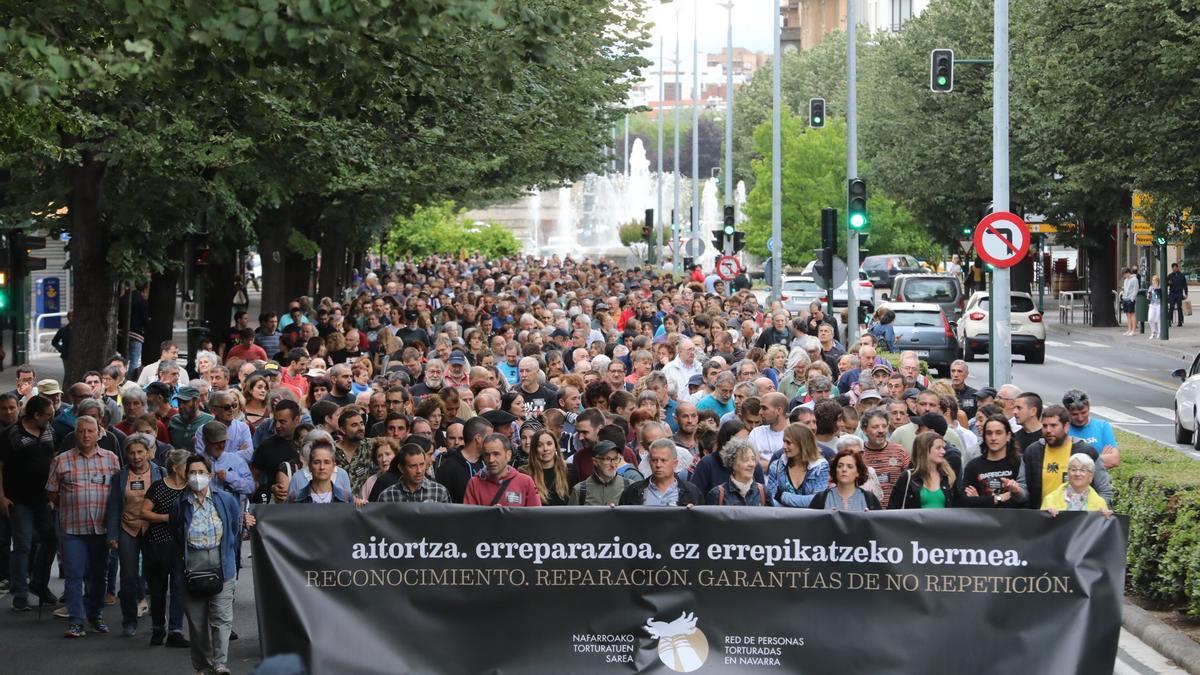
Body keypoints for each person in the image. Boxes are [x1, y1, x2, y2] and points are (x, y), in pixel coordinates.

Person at [46, 415, 121, 637]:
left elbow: (117, 494)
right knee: (74, 575)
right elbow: (52, 492)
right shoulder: (61, 460)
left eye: (90, 431)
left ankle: (95, 615)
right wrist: (69, 504)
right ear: (75, 434)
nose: (86, 435)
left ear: (99, 433)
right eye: (81, 431)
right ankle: (76, 621)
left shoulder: (111, 459)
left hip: (101, 529)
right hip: (72, 528)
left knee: (99, 575)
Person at [177, 454, 252, 675]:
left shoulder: (225, 499)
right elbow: (176, 533)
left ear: (209, 475)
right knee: (197, 623)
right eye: (192, 472)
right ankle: (203, 666)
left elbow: (234, 529)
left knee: (221, 618)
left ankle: (220, 664)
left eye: (201, 472)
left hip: (222, 564)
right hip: (192, 565)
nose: (197, 477)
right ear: (186, 475)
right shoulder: (180, 504)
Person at [0, 395, 59, 611]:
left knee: (51, 539)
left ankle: (39, 583)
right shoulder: (11, 435)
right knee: (23, 544)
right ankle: (20, 594)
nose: (51, 419)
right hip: (19, 499)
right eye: (48, 415)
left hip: (44, 499)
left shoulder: (49, 431)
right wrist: (2, 496)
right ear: (36, 415)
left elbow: (54, 457)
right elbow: (1, 467)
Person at [105, 433, 165, 637]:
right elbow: (113, 507)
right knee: (129, 576)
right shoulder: (120, 476)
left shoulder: (161, 472)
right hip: (127, 529)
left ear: (148, 452)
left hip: (153, 529)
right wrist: (112, 534)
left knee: (155, 576)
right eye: (131, 452)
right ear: (126, 454)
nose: (136, 456)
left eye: (140, 451)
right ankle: (129, 620)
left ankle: (158, 621)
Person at [138, 448, 190, 647]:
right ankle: (158, 628)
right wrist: (167, 518)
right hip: (157, 545)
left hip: (181, 546)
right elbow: (144, 512)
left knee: (179, 589)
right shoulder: (159, 487)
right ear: (176, 467)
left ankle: (175, 631)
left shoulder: (190, 488)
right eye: (187, 465)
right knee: (158, 590)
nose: (191, 470)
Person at [1022, 405, 1112, 508]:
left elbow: (1104, 490)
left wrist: (1097, 513)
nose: (1048, 430)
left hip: (1078, 520)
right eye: (1045, 426)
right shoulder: (1032, 452)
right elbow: (1024, 489)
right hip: (1042, 519)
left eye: (1053, 425)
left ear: (1066, 426)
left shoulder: (1087, 452)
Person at [959, 415, 1027, 508]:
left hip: (1011, 520)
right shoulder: (973, 466)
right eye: (989, 433)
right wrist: (999, 498)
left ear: (1008, 436)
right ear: (984, 436)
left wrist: (1016, 491)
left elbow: (1025, 496)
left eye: (998, 433)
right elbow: (966, 501)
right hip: (982, 520)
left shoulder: (1018, 462)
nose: (993, 438)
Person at [619, 438, 703, 506]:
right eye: (654, 460)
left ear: (675, 464)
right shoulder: (633, 492)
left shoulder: (692, 492)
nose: (658, 465)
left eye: (663, 460)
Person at [463, 434, 541, 506]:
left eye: (496, 454)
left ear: (508, 455)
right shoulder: (474, 483)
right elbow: (469, 518)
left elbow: (536, 517)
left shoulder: (526, 482)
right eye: (487, 455)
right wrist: (490, 515)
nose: (491, 460)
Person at [766, 423, 830, 507]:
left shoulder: (820, 467)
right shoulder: (776, 466)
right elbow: (771, 500)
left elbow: (817, 501)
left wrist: (782, 496)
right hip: (782, 517)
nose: (784, 446)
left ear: (802, 443)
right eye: (784, 441)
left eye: (788, 443)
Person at [888, 431, 956, 509]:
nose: (943, 451)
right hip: (914, 521)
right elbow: (892, 509)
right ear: (925, 450)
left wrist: (972, 498)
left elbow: (959, 503)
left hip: (943, 521)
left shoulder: (948, 475)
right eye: (938, 448)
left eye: (943, 448)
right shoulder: (907, 477)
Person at [436, 416, 492, 503]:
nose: (491, 442)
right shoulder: (448, 466)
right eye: (489, 438)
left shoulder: (489, 462)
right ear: (478, 438)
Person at [809, 449, 883, 511]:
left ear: (858, 472)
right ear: (835, 470)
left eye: (850, 467)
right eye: (840, 466)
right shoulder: (821, 498)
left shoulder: (869, 499)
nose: (844, 469)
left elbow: (878, 525)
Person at [1042, 453, 1114, 517]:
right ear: (1068, 474)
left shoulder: (1099, 503)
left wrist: (1105, 517)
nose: (1077, 474)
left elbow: (1102, 529)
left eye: (1083, 470)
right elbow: (1041, 527)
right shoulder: (1050, 499)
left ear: (1091, 476)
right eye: (1073, 469)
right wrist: (1047, 515)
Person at [1061, 389, 1119, 469]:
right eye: (1075, 414)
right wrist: (1099, 458)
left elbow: (1113, 460)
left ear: (1089, 408)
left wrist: (1073, 462)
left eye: (1084, 412)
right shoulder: (1061, 429)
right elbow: (1060, 462)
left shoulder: (1102, 426)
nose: (1080, 418)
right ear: (1066, 412)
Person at [706, 438, 770, 506]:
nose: (751, 464)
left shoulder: (763, 492)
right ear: (732, 463)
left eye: (753, 459)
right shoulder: (717, 494)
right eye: (745, 460)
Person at [376, 445, 451, 503]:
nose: (419, 470)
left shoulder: (440, 492)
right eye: (413, 466)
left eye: (422, 464)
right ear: (401, 468)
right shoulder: (387, 496)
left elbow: (448, 521)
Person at [568, 440, 630, 506]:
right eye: (607, 459)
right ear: (595, 461)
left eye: (615, 459)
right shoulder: (579, 491)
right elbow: (572, 516)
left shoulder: (629, 487)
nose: (613, 465)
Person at [524, 428, 575, 506]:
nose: (545, 449)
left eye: (549, 444)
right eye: (539, 445)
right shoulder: (525, 473)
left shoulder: (570, 470)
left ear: (555, 446)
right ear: (534, 449)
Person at [359, 438, 398, 503]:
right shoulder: (370, 482)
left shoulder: (403, 478)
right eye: (379, 456)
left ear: (396, 456)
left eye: (388, 454)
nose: (384, 459)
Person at [1167, 262, 1188, 327]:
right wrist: (1168, 283)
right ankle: (1169, 321)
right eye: (1173, 268)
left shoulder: (1182, 275)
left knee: (1179, 307)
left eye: (1175, 268)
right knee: (1171, 307)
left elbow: (1185, 285)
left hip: (1179, 293)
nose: (1174, 269)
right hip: (1172, 293)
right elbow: (1166, 284)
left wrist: (1186, 293)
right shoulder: (1170, 276)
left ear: (1177, 268)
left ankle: (1180, 322)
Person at [1121, 267, 1139, 336]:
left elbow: (1135, 289)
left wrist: (1132, 298)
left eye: (1125, 274)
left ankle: (1133, 330)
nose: (1124, 276)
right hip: (1125, 298)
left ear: (1128, 273)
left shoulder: (1134, 279)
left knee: (1132, 314)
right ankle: (1129, 329)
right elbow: (1125, 289)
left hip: (1130, 299)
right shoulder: (1126, 280)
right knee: (1128, 315)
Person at [1148, 274, 1163, 340]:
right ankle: (1153, 331)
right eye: (1153, 280)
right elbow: (1149, 297)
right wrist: (1149, 295)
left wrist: (1157, 290)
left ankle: (1159, 332)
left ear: (1158, 281)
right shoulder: (1151, 287)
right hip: (1152, 304)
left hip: (1158, 304)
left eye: (1155, 280)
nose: (1153, 281)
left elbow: (1160, 296)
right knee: (1150, 319)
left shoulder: (1160, 287)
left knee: (1158, 319)